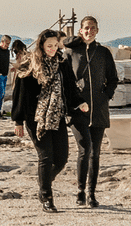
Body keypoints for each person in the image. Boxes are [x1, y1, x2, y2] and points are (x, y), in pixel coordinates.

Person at [13, 29, 84, 213]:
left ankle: (43, 183)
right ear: (42, 45)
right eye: (49, 46)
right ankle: (47, 196)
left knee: (61, 158)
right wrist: (18, 120)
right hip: (35, 117)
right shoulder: (30, 64)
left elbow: (69, 87)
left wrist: (80, 102)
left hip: (57, 115)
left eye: (55, 45)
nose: (53, 49)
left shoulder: (62, 63)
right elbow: (20, 93)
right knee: (46, 157)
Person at [66, 15, 117, 208]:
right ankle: (80, 191)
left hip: (99, 110)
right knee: (84, 150)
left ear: (97, 30)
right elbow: (65, 80)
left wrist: (105, 96)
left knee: (95, 153)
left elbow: (113, 79)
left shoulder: (104, 53)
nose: (89, 31)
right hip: (78, 110)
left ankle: (91, 193)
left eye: (93, 28)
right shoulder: (71, 52)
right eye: (86, 28)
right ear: (81, 30)